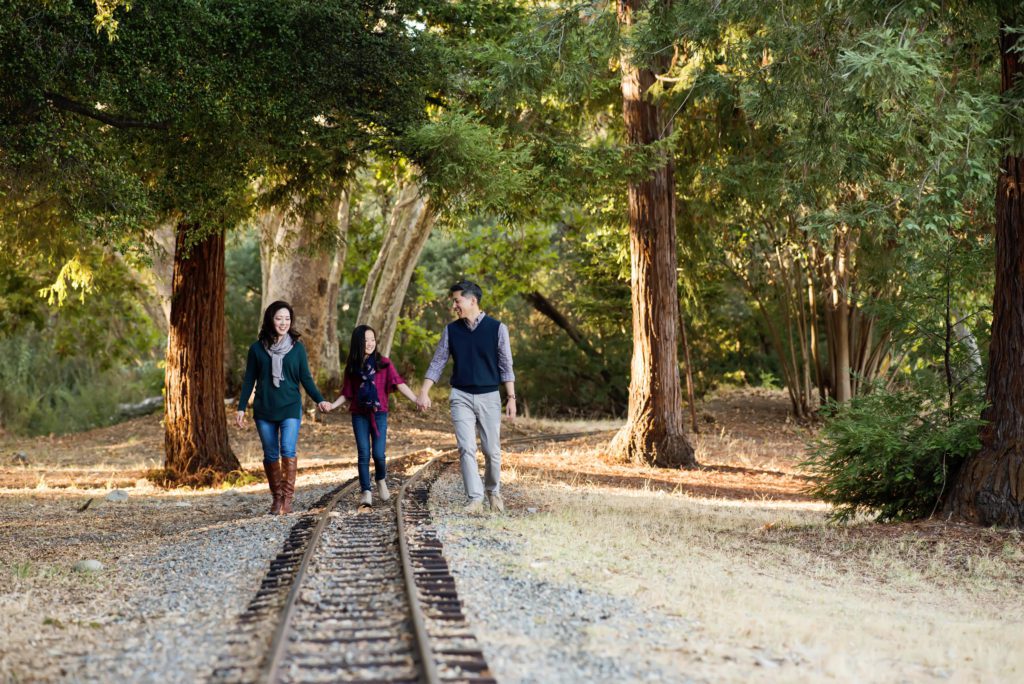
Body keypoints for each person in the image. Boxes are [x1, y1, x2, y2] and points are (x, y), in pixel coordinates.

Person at [417, 280, 516, 514]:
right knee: (466, 448)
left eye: (457, 300)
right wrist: (424, 391)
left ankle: (493, 491)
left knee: (492, 450)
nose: (454, 306)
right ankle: (475, 498)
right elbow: (438, 361)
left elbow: (506, 365)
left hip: (489, 396)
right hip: (460, 395)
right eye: (453, 301)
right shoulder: (451, 330)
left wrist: (511, 397)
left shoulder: (497, 328)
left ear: (473, 300)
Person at [236, 301, 333, 515]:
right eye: (279, 318)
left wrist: (320, 399)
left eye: (287, 319)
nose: (283, 323)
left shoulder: (297, 348)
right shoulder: (256, 349)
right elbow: (248, 380)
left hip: (290, 407)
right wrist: (241, 408)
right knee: (271, 454)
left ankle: (287, 499)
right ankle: (277, 498)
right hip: (264, 409)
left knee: (287, 450)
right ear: (271, 320)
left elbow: (305, 378)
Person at [330, 325, 419, 508]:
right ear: (358, 343)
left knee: (379, 454)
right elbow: (347, 393)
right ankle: (366, 491)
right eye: (365, 340)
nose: (370, 343)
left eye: (372, 339)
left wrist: (416, 399)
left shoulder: (384, 364)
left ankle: (380, 479)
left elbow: (399, 383)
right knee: (363, 454)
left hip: (379, 414)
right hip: (359, 415)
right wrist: (332, 405)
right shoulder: (352, 368)